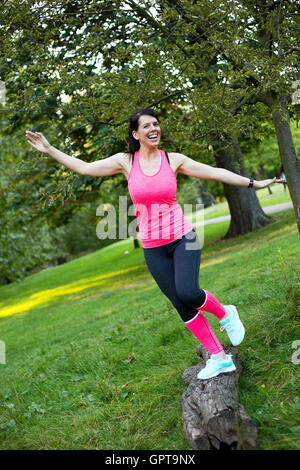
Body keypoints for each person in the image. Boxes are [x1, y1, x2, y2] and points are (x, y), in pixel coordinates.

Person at [25, 108, 283, 380]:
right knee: (180, 304)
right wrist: (50, 149)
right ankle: (219, 357)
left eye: (156, 124)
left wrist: (254, 183)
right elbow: (86, 168)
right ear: (136, 134)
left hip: (183, 238)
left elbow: (216, 172)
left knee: (189, 293)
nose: (153, 129)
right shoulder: (126, 161)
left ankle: (226, 313)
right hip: (153, 248)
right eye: (146, 125)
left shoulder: (173, 160)